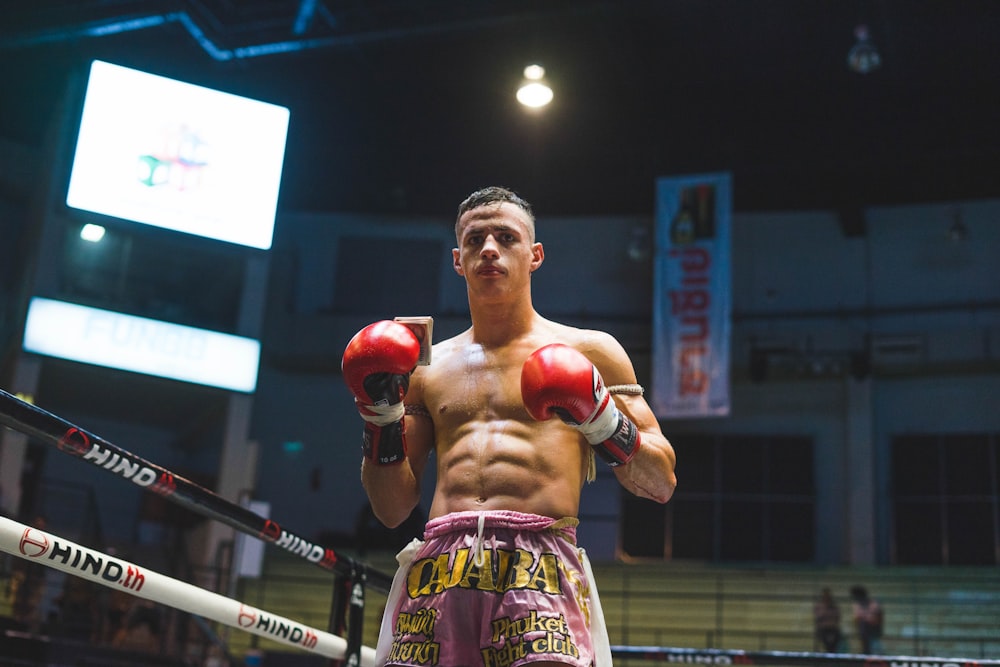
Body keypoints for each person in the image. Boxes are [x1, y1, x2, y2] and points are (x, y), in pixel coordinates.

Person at [342, 186, 677, 667]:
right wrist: (379, 416)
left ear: (535, 254)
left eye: (506, 237)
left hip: (539, 563)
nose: (490, 249)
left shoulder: (591, 351)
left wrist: (599, 417)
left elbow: (660, 481)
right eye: (475, 240)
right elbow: (391, 508)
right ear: (458, 260)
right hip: (440, 564)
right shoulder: (425, 370)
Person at [849, 584, 883, 654]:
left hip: (874, 630)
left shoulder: (873, 604)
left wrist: (867, 618)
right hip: (864, 632)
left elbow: (877, 618)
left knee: (875, 651)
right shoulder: (857, 605)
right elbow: (856, 618)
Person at [813, 587, 842, 653]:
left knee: (837, 635)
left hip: (833, 627)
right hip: (823, 628)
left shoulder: (834, 606)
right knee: (824, 637)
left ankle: (832, 651)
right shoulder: (819, 606)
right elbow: (818, 618)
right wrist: (825, 609)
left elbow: (837, 617)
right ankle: (829, 651)